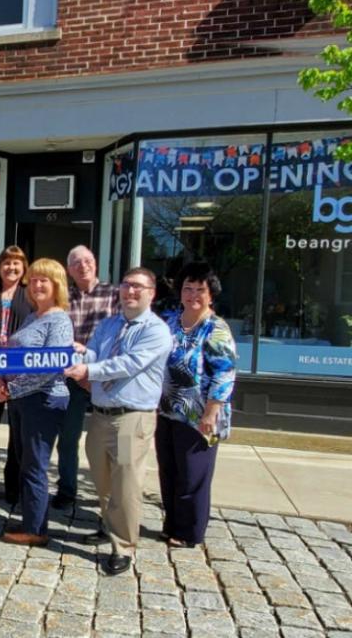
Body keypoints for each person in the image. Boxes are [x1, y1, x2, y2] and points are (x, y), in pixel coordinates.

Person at [64, 267, 171, 575]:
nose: (130, 291)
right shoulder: (109, 323)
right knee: (103, 479)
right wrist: (77, 355)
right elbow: (96, 354)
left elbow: (129, 363)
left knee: (125, 484)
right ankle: (109, 526)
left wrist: (88, 370)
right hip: (99, 417)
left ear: (151, 293)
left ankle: (123, 546)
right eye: (126, 285)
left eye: (138, 287)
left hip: (129, 421)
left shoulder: (155, 330)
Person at [157, 262, 237, 548]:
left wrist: (211, 412)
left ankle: (190, 532)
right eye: (187, 289)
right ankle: (172, 524)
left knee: (193, 476)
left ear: (210, 294)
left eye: (199, 290)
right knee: (170, 472)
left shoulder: (216, 329)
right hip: (167, 411)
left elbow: (225, 374)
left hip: (200, 415)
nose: (192, 295)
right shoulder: (170, 322)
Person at [0, 259, 74, 546]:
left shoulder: (59, 320)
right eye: (35, 279)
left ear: (57, 286)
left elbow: (48, 367)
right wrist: (3, 380)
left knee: (34, 465)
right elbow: (15, 357)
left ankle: (36, 530)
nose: (38, 285)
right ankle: (32, 518)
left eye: (45, 280)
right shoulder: (33, 317)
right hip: (20, 400)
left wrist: (12, 388)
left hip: (43, 400)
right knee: (24, 460)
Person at [53, 245, 119, 510]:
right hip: (71, 378)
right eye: (76, 262)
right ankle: (67, 489)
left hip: (107, 378)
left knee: (113, 442)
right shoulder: (62, 297)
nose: (83, 266)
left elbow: (119, 338)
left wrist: (91, 366)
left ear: (96, 263)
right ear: (69, 269)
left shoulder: (114, 294)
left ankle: (115, 496)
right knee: (68, 439)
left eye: (88, 260)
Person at [0, 245, 33, 504]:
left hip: (19, 372)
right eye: (6, 262)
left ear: (24, 267)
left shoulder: (30, 294)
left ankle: (13, 485)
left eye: (16, 263)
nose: (11, 268)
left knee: (18, 433)